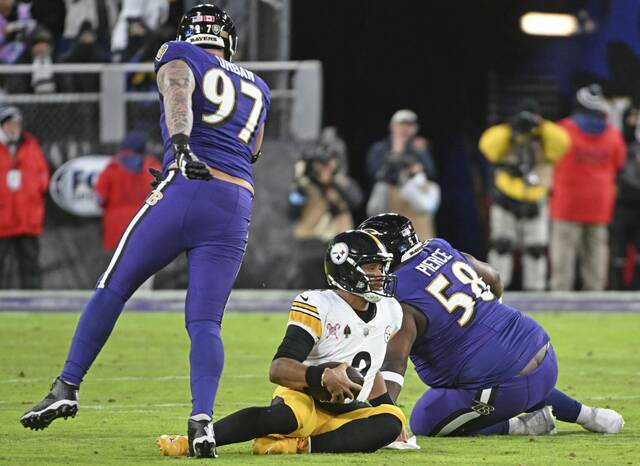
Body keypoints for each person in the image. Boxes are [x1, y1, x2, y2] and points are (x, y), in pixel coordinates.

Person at [20, 4, 271, 460]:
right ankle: (202, 420)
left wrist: (179, 145)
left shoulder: (178, 52)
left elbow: (178, 88)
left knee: (114, 285)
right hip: (236, 202)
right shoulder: (259, 85)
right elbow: (251, 150)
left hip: (189, 182)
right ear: (229, 40)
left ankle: (67, 385)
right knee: (205, 321)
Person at [358, 213, 624, 437]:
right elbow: (494, 277)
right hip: (542, 354)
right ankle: (589, 416)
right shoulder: (439, 247)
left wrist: (382, 420)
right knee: (509, 372)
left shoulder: (400, 293)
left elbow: (394, 365)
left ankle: (521, 426)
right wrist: (485, 315)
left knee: (425, 418)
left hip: (499, 385)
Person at [156, 230, 406, 456]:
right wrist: (323, 377)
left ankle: (297, 446)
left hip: (345, 412)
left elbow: (371, 371)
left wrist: (384, 407)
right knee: (286, 418)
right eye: (372, 267)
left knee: (392, 420)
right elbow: (279, 368)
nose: (380, 275)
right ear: (346, 269)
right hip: (304, 398)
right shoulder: (320, 305)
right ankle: (195, 441)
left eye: (382, 268)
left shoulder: (390, 311)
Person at [479, 98, 569, 291]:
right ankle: (495, 290)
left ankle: (535, 289)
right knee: (501, 245)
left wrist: (541, 125)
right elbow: (488, 147)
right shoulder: (505, 133)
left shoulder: (545, 135)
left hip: (535, 198)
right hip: (505, 196)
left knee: (536, 249)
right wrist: (512, 127)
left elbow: (562, 144)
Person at [550, 84, 626, 291]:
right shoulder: (613, 134)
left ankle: (559, 299)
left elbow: (548, 159)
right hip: (600, 203)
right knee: (596, 257)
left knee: (563, 257)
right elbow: (619, 162)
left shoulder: (562, 130)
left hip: (567, 203)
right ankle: (596, 301)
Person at [288, 142, 362, 288]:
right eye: (319, 164)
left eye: (327, 163)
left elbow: (356, 201)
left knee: (338, 289)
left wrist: (332, 183)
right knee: (312, 288)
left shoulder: (341, 183)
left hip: (339, 242)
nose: (323, 168)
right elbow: (292, 211)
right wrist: (300, 185)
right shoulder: (304, 186)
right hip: (311, 242)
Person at [366, 110, 440, 240]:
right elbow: (375, 172)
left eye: (409, 125)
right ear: (392, 127)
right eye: (401, 125)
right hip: (390, 200)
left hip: (415, 204)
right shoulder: (380, 148)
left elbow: (431, 172)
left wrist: (420, 156)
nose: (405, 129)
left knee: (422, 240)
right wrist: (395, 152)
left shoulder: (419, 147)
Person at [0, 105, 49, 289]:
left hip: (26, 218)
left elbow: (42, 175)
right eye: (11, 124)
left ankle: (35, 305)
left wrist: (36, 191)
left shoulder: (31, 145)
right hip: (2, 219)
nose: (15, 128)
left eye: (17, 124)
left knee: (31, 266)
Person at [94, 130, 161, 252]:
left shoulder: (112, 168)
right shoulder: (153, 166)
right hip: (145, 224)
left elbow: (100, 199)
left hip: (116, 228)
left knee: (116, 265)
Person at [610, 106, 640, 289]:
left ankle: (637, 288)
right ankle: (616, 287)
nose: (635, 121)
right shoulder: (617, 141)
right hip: (621, 204)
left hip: (639, 205)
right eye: (633, 117)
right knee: (619, 252)